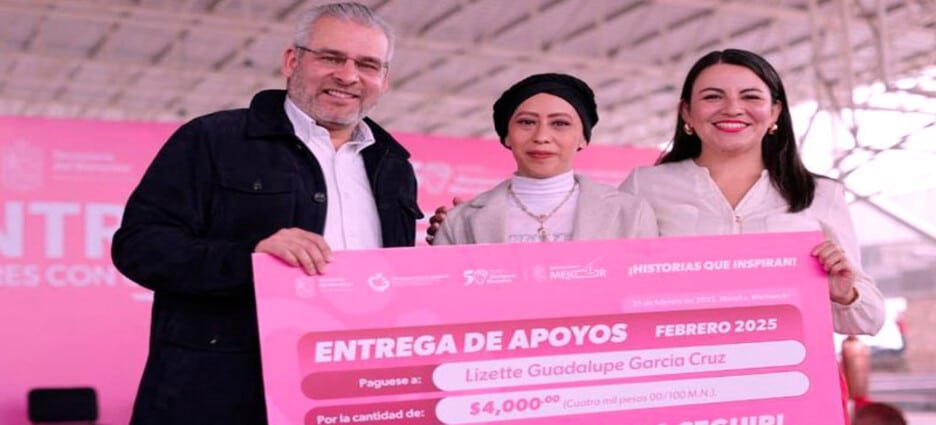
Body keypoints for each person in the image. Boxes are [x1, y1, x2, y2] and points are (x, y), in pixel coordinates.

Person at [111, 3, 421, 424]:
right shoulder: (213, 139)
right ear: (292, 61)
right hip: (221, 396)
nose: (348, 76)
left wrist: (454, 236)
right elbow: (139, 247)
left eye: (367, 65)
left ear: (384, 79)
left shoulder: (394, 167)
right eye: (331, 57)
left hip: (346, 392)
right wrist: (251, 259)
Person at [618, 48, 885, 336]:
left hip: (786, 360)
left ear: (775, 112)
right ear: (687, 112)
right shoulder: (645, 186)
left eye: (751, 97)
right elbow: (610, 284)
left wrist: (843, 294)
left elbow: (869, 320)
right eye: (712, 97)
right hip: (682, 358)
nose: (732, 108)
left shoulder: (820, 193)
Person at [432, 73, 657, 245]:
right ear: (507, 136)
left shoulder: (630, 213)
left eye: (560, 123)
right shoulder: (459, 221)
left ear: (583, 138)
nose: (541, 137)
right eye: (527, 122)